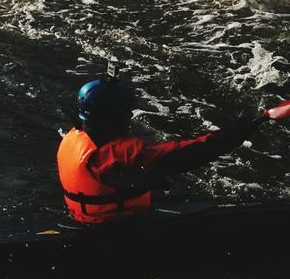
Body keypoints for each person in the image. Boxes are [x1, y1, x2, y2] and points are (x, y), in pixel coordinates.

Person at [57, 75, 267, 224]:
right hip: (116, 225)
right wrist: (241, 130)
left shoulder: (73, 137)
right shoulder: (118, 152)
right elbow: (192, 152)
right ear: (110, 116)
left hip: (82, 219)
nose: (129, 117)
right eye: (125, 112)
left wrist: (146, 179)